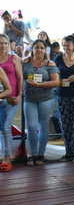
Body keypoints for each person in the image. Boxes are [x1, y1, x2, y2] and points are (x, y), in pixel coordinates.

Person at [22, 39, 59, 166]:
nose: (39, 50)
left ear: (45, 50)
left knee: (43, 125)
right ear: (32, 49)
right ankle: (33, 154)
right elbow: (18, 77)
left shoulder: (50, 64)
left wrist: (39, 84)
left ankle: (41, 154)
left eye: (42, 48)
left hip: (46, 99)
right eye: (36, 47)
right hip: (29, 99)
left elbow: (56, 82)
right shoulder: (25, 62)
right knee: (31, 127)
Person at [55, 35, 74, 163]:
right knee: (65, 124)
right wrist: (61, 81)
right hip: (62, 95)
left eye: (68, 45)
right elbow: (53, 77)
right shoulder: (57, 59)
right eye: (64, 45)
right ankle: (69, 152)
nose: (65, 47)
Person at [0, 33, 21, 172]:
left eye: (5, 43)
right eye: (0, 43)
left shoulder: (14, 58)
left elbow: (20, 78)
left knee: (6, 127)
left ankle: (7, 157)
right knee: (1, 128)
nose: (3, 46)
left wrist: (19, 95)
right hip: (1, 99)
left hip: (12, 97)